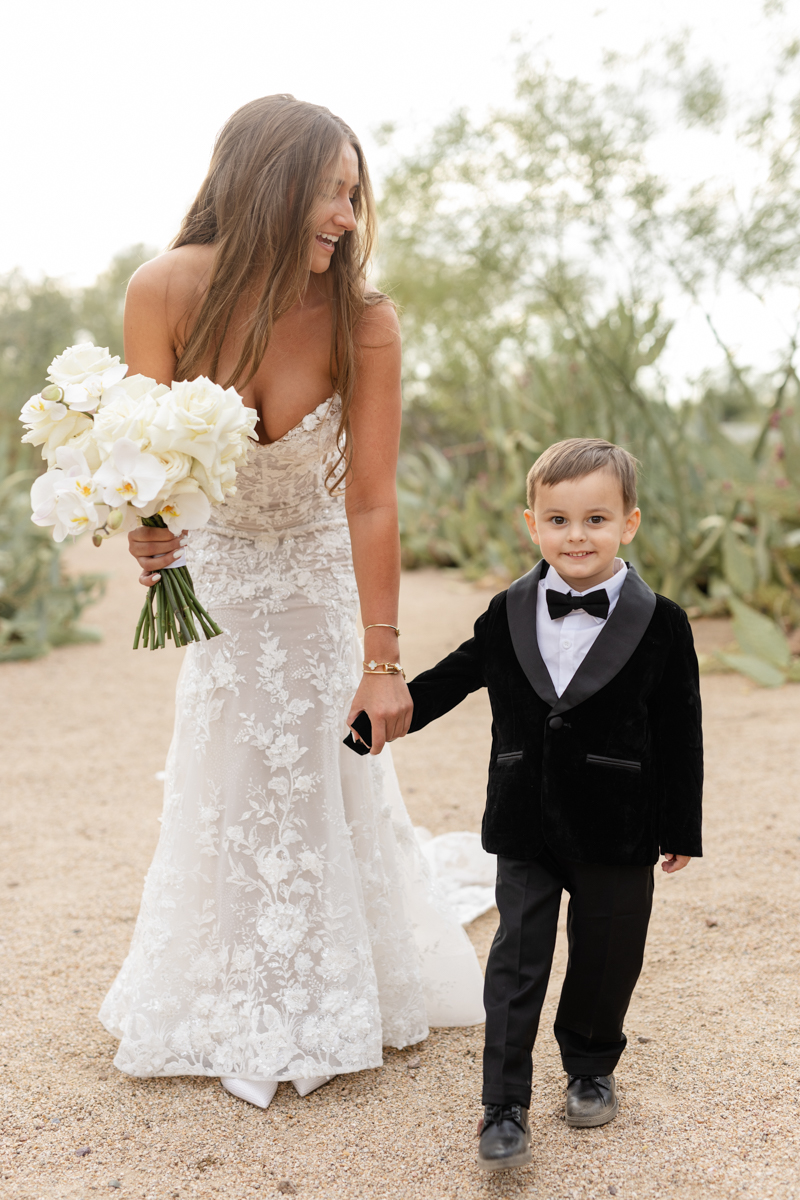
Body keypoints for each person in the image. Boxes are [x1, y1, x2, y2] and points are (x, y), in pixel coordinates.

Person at [99, 94, 485, 1110]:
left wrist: (382, 657)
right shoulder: (164, 289)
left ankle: (332, 985)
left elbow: (369, 499)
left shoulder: (365, 320)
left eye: (356, 196)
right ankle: (225, 984)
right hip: (223, 582)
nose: (349, 217)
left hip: (314, 577)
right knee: (227, 776)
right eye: (332, 192)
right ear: (268, 182)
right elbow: (151, 465)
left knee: (321, 772)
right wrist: (150, 529)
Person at [349, 437, 703, 1170]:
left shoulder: (662, 620)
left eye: (597, 520)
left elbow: (681, 728)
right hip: (526, 817)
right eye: (560, 520)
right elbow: (454, 676)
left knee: (608, 958)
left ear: (629, 524)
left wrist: (680, 826)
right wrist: (375, 721)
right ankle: (502, 1104)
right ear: (531, 523)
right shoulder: (508, 609)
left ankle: (590, 1066)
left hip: (621, 823)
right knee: (516, 959)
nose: (578, 536)